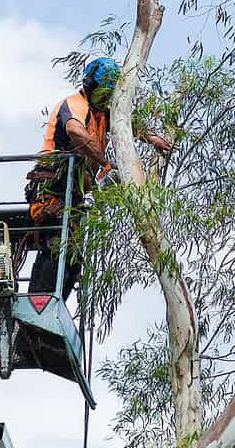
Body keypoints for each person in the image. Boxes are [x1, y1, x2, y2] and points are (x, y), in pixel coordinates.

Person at [26, 57, 170, 300]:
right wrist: (104, 163)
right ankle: (39, 305)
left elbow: (129, 126)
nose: (106, 99)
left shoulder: (102, 114)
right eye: (103, 93)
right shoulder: (74, 104)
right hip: (52, 187)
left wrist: (157, 141)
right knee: (58, 244)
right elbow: (74, 130)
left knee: (72, 257)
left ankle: (50, 308)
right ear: (91, 87)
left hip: (75, 195)